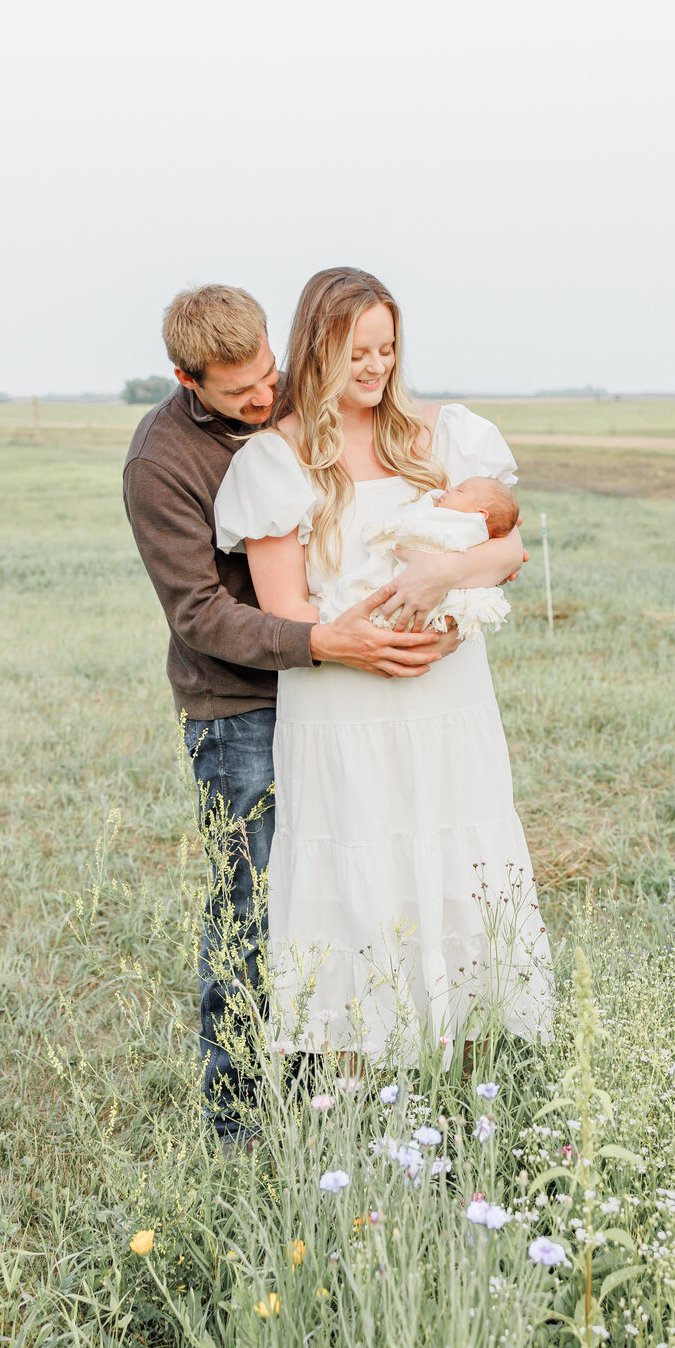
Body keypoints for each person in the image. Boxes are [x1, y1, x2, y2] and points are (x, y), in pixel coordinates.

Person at [123, 283, 456, 1146]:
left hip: (335, 700)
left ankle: (322, 1099)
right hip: (239, 708)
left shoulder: (301, 412)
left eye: (268, 372)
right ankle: (239, 1127)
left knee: (334, 896)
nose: (263, 396)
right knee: (253, 903)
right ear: (185, 378)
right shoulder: (159, 463)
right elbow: (198, 612)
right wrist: (328, 642)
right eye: (239, 392)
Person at [213, 266, 553, 1062]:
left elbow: (510, 546)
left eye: (387, 350)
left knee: (454, 856)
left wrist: (440, 576)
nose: (374, 369)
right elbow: (283, 607)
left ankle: (472, 1067)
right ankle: (356, 1085)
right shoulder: (276, 458)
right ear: (316, 348)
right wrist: (361, 641)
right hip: (341, 705)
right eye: (356, 352)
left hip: (447, 697)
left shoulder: (445, 436)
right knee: (357, 870)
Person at [318, 475, 521, 640]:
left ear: (480, 514)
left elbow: (421, 528)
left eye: (459, 491)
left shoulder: (468, 526)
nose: (448, 490)